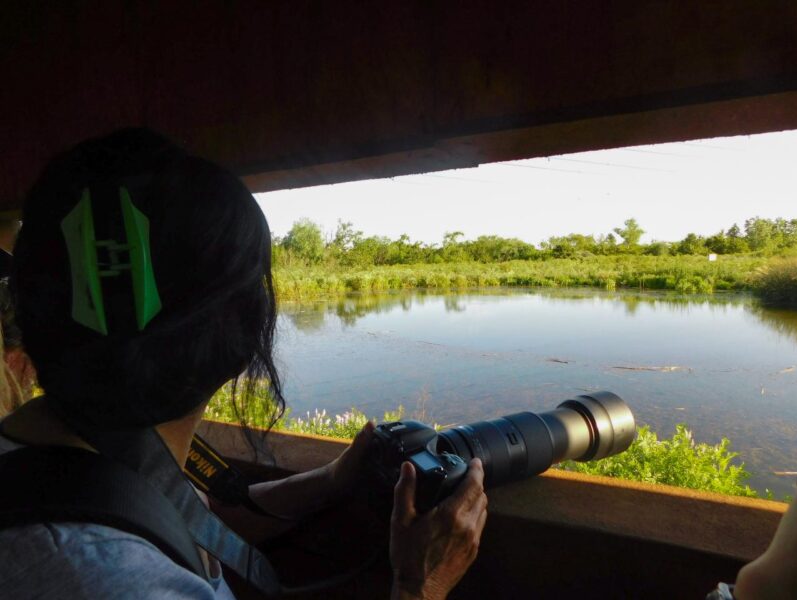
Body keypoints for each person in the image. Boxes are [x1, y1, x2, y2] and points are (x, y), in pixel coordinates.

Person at [0, 128, 488, 599]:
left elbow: (195, 521)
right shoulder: (116, 580)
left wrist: (332, 478)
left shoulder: (75, 452)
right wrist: (419, 586)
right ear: (230, 335)